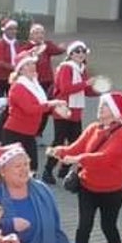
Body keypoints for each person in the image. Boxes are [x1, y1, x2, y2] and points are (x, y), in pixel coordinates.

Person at [51, 92, 122, 243]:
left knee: (108, 226)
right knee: (84, 226)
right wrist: (60, 151)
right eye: (101, 105)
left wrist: (78, 159)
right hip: (87, 187)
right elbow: (75, 147)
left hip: (112, 190)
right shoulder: (93, 128)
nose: (100, 108)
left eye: (105, 106)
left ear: (115, 112)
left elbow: (106, 157)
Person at [42, 40, 97, 185]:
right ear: (70, 54)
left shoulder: (81, 68)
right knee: (59, 141)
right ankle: (48, 170)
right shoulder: (66, 68)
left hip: (76, 110)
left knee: (76, 142)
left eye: (83, 51)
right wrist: (86, 84)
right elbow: (65, 88)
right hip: (63, 109)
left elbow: (83, 90)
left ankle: (64, 169)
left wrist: (98, 91)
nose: (80, 54)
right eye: (77, 51)